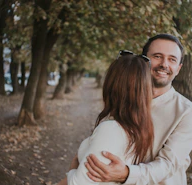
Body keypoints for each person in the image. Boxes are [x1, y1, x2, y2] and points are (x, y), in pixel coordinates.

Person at [84, 34, 192, 185]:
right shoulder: (124, 98)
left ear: (178, 68)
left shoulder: (189, 113)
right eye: (157, 56)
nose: (164, 64)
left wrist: (127, 174)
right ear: (144, 61)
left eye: (172, 59)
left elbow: (168, 165)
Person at [57, 51, 155, 185]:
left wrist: (73, 169)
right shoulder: (140, 128)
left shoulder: (112, 129)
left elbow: (79, 183)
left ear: (112, 85)